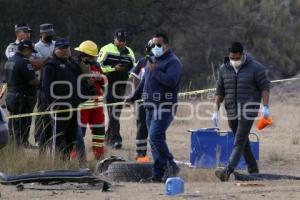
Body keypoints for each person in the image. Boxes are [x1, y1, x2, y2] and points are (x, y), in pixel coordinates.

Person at [126, 33, 182, 183]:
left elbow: (170, 81)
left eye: (159, 45)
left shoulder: (173, 62)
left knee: (155, 136)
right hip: (149, 106)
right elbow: (145, 82)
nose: (155, 48)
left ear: (167, 45)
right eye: (154, 45)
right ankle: (158, 175)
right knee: (154, 141)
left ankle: (171, 165)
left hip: (165, 106)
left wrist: (155, 69)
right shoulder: (152, 61)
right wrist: (133, 97)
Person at [213, 42, 271, 181]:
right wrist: (215, 110)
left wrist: (265, 107)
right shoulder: (224, 69)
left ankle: (227, 171)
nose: (234, 61)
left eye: (236, 58)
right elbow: (219, 91)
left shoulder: (256, 68)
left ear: (242, 54)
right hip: (231, 109)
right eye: (231, 58)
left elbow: (265, 87)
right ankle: (253, 170)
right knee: (243, 142)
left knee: (238, 141)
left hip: (248, 110)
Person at [39, 38, 94, 159]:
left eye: (67, 48)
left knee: (71, 138)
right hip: (59, 109)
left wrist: (88, 88)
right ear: (56, 50)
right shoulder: (50, 65)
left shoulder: (73, 64)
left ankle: (65, 162)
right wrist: (52, 104)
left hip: (73, 107)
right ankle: (56, 164)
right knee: (57, 138)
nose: (65, 51)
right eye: (62, 48)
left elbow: (81, 82)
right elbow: (46, 88)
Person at [97, 28, 135, 149]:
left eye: (123, 40)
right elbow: (98, 66)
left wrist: (127, 77)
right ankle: (116, 139)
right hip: (109, 83)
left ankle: (108, 138)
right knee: (113, 112)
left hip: (122, 85)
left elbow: (133, 69)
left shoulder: (129, 52)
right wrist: (113, 68)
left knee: (116, 113)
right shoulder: (106, 49)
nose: (121, 43)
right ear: (114, 39)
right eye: (119, 40)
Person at [73, 40, 108, 160]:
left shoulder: (97, 66)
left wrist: (100, 78)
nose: (94, 58)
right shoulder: (75, 65)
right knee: (78, 133)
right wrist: (90, 80)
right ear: (84, 54)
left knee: (99, 131)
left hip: (97, 104)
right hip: (83, 105)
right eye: (92, 56)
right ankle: (75, 158)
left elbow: (104, 81)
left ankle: (99, 157)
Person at [3, 40, 39, 147]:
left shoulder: (9, 61)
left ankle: (12, 144)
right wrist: (42, 82)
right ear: (26, 49)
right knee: (23, 122)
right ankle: (21, 145)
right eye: (31, 51)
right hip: (21, 97)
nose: (31, 54)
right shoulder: (24, 62)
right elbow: (33, 81)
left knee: (13, 122)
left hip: (11, 95)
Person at [130, 39, 153, 159]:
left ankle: (157, 153)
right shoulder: (142, 62)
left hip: (156, 101)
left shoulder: (163, 62)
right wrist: (137, 95)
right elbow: (135, 78)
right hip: (142, 101)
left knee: (155, 129)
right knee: (142, 126)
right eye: (149, 48)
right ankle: (140, 153)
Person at [34, 23, 56, 144]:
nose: (50, 36)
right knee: (41, 110)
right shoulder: (35, 47)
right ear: (41, 34)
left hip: (57, 82)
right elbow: (36, 63)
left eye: (51, 34)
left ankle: (52, 135)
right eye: (48, 34)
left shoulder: (56, 44)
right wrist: (50, 59)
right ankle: (38, 137)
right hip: (42, 83)